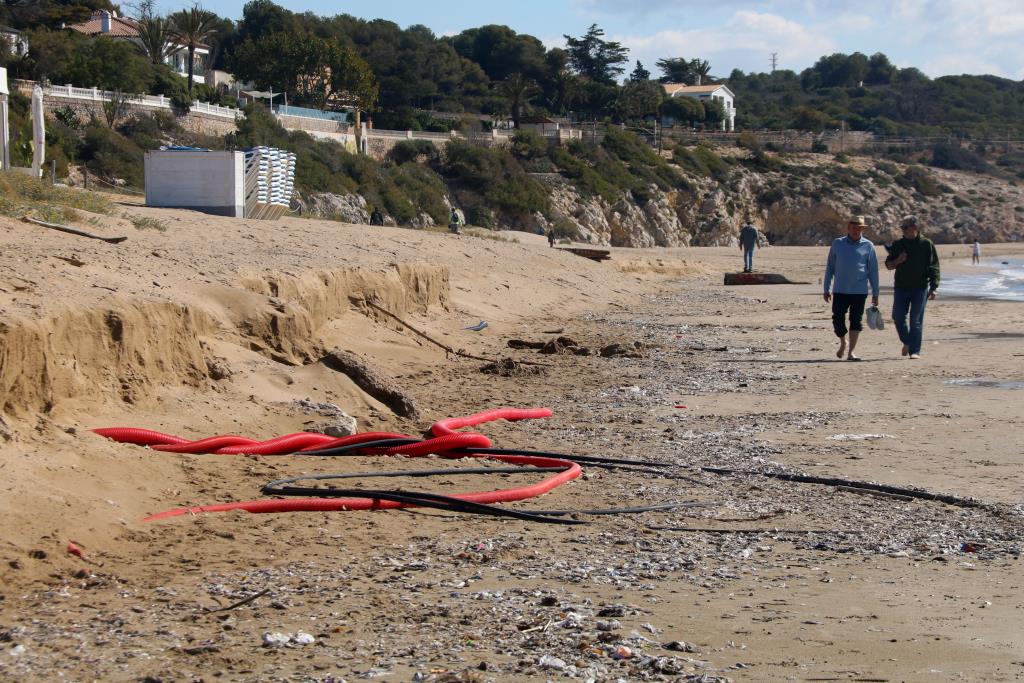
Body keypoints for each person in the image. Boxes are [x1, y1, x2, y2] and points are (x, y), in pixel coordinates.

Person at [823, 215, 880, 361]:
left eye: (859, 228)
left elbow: (873, 270)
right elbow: (830, 267)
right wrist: (826, 288)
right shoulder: (838, 243)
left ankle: (851, 352)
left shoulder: (868, 246)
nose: (856, 231)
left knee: (856, 321)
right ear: (848, 228)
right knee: (838, 320)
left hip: (859, 291)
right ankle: (843, 341)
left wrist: (876, 292)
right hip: (840, 290)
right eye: (854, 228)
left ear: (862, 229)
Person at [886, 216, 940, 360]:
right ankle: (908, 342)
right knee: (897, 317)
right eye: (902, 227)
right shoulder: (898, 244)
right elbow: (888, 265)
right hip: (901, 287)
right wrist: (898, 260)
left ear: (914, 227)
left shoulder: (926, 244)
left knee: (915, 321)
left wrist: (934, 287)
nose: (902, 230)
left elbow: (934, 266)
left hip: (920, 288)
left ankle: (914, 351)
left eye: (905, 227)